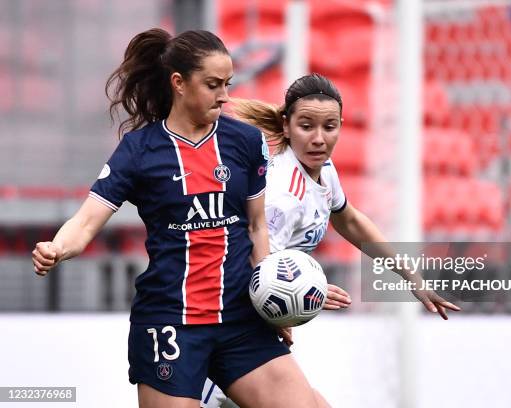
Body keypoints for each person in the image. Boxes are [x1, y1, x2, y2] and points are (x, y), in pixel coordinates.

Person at [31, 28, 330, 408]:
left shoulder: (245, 142)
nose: (224, 95)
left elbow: (256, 227)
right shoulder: (139, 151)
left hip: (240, 318)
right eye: (212, 84)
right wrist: (56, 248)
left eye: (228, 83)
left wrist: (271, 301)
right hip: (170, 324)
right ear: (179, 83)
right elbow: (87, 221)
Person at [201, 73, 460, 407]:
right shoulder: (283, 191)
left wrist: (410, 276)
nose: (319, 139)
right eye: (307, 126)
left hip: (258, 326)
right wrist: (308, 292)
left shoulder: (324, 171)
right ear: (286, 126)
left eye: (330, 127)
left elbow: (349, 219)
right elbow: (257, 265)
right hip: (233, 324)